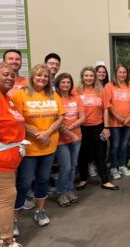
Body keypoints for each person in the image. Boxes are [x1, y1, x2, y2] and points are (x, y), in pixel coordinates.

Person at [12, 64, 64, 233]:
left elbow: (60, 117)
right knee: (24, 183)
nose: (42, 79)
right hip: (29, 149)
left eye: (45, 76)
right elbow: (17, 119)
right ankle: (13, 220)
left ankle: (40, 211)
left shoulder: (53, 94)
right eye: (39, 75)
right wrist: (36, 134)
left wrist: (47, 132)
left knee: (42, 180)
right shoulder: (21, 94)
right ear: (32, 77)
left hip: (49, 146)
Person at [0, 62, 25, 247]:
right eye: (5, 74)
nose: (10, 77)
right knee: (5, 202)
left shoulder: (7, 98)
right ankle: (7, 242)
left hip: (8, 164)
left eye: (13, 75)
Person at [74, 66, 118, 191]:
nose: (89, 78)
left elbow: (105, 110)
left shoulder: (101, 91)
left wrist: (106, 127)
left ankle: (105, 181)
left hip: (97, 127)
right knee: (82, 154)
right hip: (81, 127)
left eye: (91, 76)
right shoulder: (76, 91)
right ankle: (83, 179)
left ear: (95, 77)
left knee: (100, 155)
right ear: (82, 77)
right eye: (86, 75)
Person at [55, 73, 85, 207]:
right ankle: (61, 193)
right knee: (65, 167)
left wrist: (73, 126)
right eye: (63, 82)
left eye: (68, 82)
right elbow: (56, 121)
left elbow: (82, 116)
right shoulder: (54, 98)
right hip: (62, 140)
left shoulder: (76, 98)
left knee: (73, 166)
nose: (66, 85)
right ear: (58, 84)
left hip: (77, 136)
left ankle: (68, 190)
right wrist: (69, 132)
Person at [104, 65, 130, 179]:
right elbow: (108, 104)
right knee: (115, 145)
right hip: (115, 123)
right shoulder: (109, 86)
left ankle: (122, 166)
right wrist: (118, 117)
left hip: (128, 122)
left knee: (124, 145)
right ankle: (113, 168)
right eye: (120, 72)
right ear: (116, 73)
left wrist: (129, 118)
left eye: (124, 72)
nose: (122, 74)